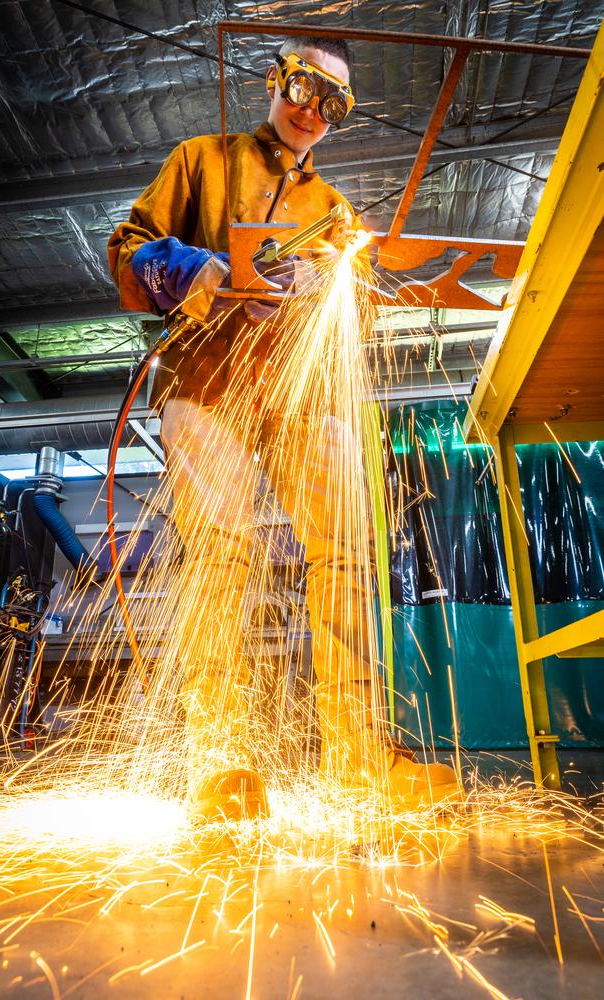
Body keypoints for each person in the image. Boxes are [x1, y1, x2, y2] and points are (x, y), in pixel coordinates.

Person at [108, 36, 459, 820]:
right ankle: (222, 761)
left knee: (349, 551)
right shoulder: (201, 160)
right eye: (302, 88)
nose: (309, 111)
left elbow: (355, 310)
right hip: (205, 382)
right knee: (225, 559)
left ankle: (362, 752)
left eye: (330, 105)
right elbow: (128, 248)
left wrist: (332, 285)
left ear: (338, 118)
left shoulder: (335, 212)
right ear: (275, 79)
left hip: (300, 395)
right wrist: (199, 271)